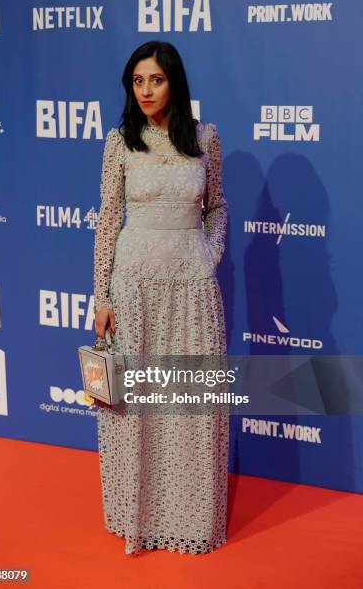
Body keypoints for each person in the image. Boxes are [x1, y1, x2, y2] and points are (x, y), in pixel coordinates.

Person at [93, 40, 229, 555]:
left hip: (192, 289)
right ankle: (136, 515)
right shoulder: (119, 142)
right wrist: (101, 296)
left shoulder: (204, 138)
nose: (146, 90)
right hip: (133, 289)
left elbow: (217, 209)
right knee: (137, 408)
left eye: (156, 80)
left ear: (175, 82)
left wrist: (207, 253)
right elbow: (108, 221)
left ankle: (190, 520)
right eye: (137, 81)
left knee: (188, 405)